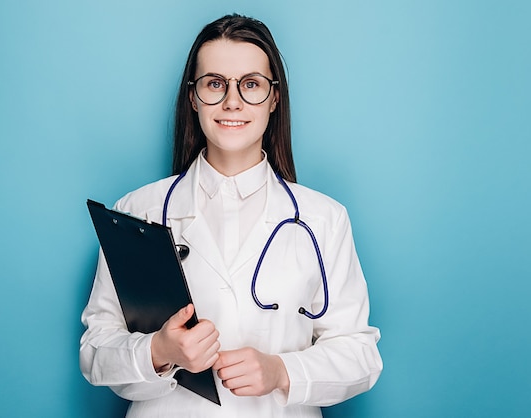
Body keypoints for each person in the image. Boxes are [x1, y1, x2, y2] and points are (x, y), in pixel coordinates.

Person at [80, 14, 382, 418]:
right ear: (193, 97)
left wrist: (282, 371)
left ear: (275, 98)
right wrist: (158, 351)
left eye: (251, 84)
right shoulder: (138, 210)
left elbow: (360, 355)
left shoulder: (323, 218)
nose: (232, 102)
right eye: (215, 84)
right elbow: (95, 348)